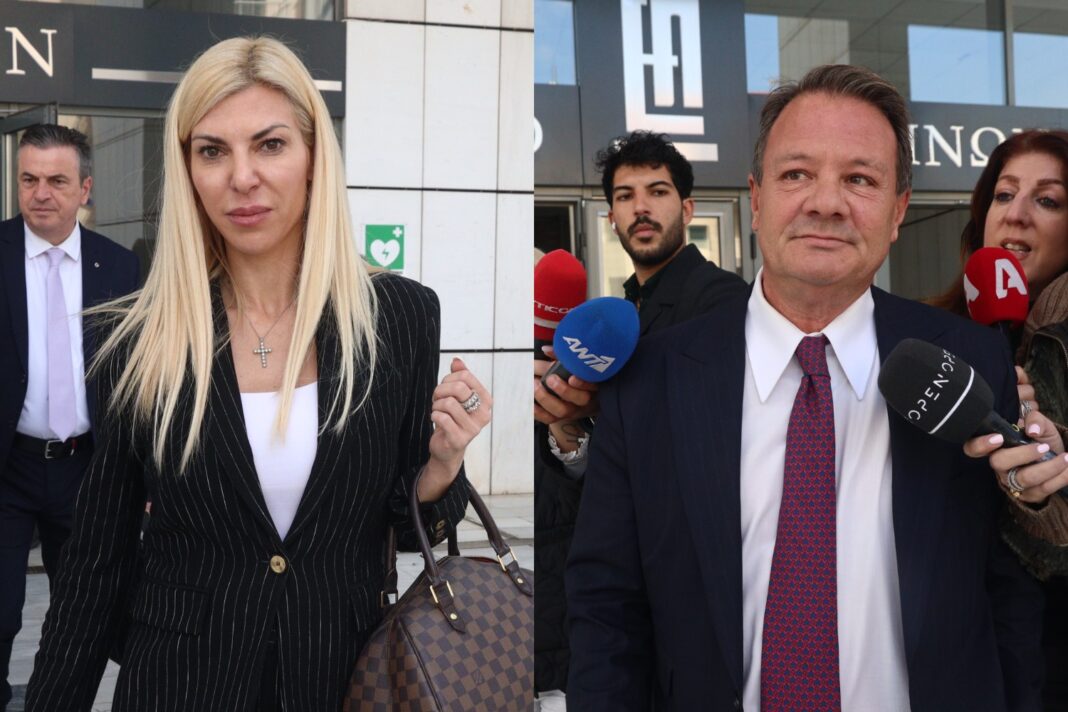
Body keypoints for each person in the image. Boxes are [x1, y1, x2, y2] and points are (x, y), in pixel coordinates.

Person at [24, 36, 490, 711]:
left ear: (314, 158)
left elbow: (406, 516)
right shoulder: (137, 337)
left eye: (270, 144)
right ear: (187, 169)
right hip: (180, 686)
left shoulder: (399, 316)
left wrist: (442, 466)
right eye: (212, 151)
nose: (241, 177)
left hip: (342, 679)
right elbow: (95, 566)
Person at [566, 64, 1048, 711]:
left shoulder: (969, 361)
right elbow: (607, 608)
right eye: (796, 174)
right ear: (756, 198)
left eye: (860, 179)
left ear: (898, 211)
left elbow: (1009, 592)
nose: (826, 203)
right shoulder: (652, 380)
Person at [533, 132, 746, 707]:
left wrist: (604, 407)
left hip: (695, 591)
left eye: (657, 191)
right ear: (611, 217)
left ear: (688, 208)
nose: (641, 207)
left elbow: (711, 441)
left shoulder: (725, 302)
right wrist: (568, 431)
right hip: (617, 585)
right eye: (625, 196)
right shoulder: (617, 313)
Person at [0, 124, 139, 711]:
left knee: (86, 616)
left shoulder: (121, 268)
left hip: (87, 472)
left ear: (85, 188)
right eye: (28, 179)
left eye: (57, 181)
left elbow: (137, 379)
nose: (40, 193)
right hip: (9, 468)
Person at [930, 129, 1068, 711]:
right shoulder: (937, 330)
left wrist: (1043, 484)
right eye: (1004, 194)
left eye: (1048, 200)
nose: (1016, 215)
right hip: (952, 643)